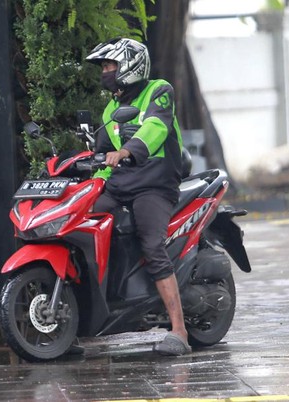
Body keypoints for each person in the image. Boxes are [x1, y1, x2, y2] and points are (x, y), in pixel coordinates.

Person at [86, 38, 191, 356]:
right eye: (103, 67)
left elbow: (156, 127)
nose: (105, 72)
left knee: (152, 244)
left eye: (109, 66)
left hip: (155, 184)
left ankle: (180, 331)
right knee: (84, 222)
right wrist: (92, 186)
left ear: (130, 65)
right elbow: (103, 156)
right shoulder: (111, 108)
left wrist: (127, 151)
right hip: (119, 186)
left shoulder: (159, 90)